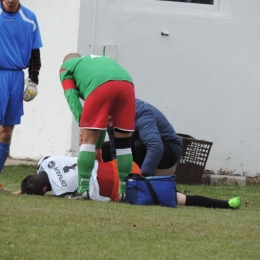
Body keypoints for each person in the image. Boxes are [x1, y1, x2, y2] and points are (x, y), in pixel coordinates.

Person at [14, 155, 241, 209]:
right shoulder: (46, 161)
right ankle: (224, 203)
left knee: (177, 198)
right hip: (118, 166)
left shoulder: (60, 191)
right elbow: (39, 170)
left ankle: (225, 204)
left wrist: (27, 192)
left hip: (119, 187)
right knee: (159, 187)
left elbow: (80, 196)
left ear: (45, 190)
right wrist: (26, 186)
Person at [59, 54, 135, 199]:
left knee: (87, 143)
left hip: (100, 85)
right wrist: (98, 146)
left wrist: (83, 124)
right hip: (127, 84)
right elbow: (103, 118)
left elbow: (71, 96)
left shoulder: (66, 68)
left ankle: (83, 190)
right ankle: (125, 191)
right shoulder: (93, 62)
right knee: (124, 144)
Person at [0, 0, 42, 190]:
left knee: (6, 132)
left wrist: (33, 80)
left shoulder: (30, 18)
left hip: (16, 77)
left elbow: (35, 52)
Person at [102, 99, 183, 177]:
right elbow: (115, 149)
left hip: (169, 149)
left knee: (140, 145)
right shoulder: (113, 122)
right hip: (140, 144)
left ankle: (144, 178)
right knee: (104, 149)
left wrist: (143, 177)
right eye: (107, 120)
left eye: (111, 119)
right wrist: (116, 172)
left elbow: (155, 147)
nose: (110, 125)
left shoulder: (141, 113)